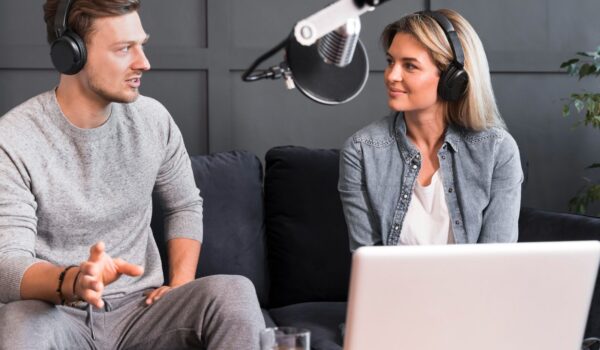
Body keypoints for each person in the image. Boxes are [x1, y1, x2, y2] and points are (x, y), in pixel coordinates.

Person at [0, 0, 265, 349]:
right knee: (20, 320)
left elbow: (185, 205)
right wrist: (76, 281)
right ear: (72, 54)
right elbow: (8, 265)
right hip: (57, 312)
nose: (144, 62)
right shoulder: (14, 138)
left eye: (141, 45)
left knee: (235, 292)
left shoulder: (153, 121)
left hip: (142, 310)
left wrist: (180, 284)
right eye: (125, 49)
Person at [338, 9, 523, 251]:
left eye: (410, 66)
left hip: (474, 288)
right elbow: (368, 261)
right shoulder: (361, 151)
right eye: (390, 62)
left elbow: (497, 260)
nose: (391, 76)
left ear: (452, 78)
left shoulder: (498, 150)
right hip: (393, 289)